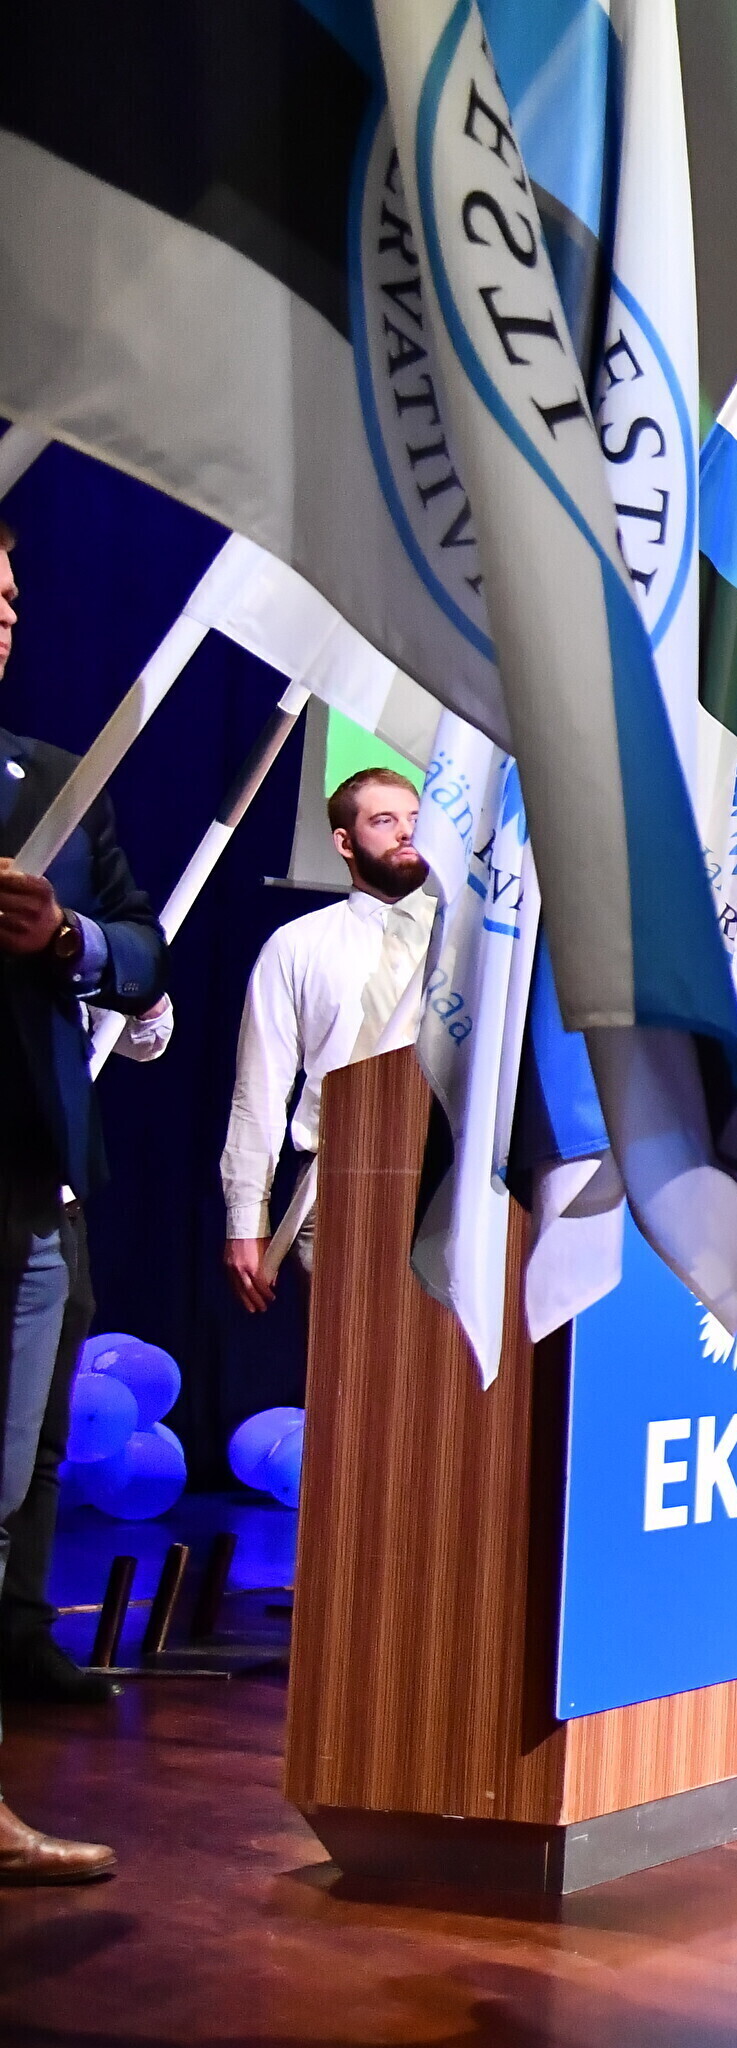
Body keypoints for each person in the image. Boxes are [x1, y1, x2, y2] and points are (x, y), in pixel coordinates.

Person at [0, 514, 167, 1882]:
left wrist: (69, 937)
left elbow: (144, 946)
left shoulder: (55, 782)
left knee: (15, 1471)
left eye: (11, 593)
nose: (6, 613)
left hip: (35, 1185)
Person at [3, 995, 171, 1707]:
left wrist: (132, 990)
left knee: (44, 1439)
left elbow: (149, 1037)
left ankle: (21, 1636)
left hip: (56, 1205)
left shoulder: (67, 948)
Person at [219, 766, 431, 1314]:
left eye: (415, 818)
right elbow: (260, 1090)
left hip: (454, 1181)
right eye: (384, 821)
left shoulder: (469, 938)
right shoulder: (298, 946)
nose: (407, 832)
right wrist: (246, 1220)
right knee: (351, 1357)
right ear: (344, 842)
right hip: (338, 1184)